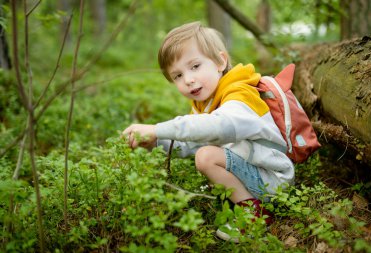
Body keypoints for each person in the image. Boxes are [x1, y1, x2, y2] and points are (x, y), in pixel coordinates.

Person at [122, 21, 294, 242]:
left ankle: (255, 214)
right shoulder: (208, 102)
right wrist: (156, 142)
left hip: (274, 180)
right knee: (203, 152)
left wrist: (157, 129)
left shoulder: (240, 94)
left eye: (195, 66)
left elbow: (217, 128)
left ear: (220, 61)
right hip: (257, 171)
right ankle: (246, 201)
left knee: (206, 157)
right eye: (177, 76)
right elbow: (191, 143)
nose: (188, 79)